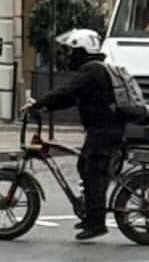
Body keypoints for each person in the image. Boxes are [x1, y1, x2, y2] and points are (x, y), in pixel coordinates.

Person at [24, 27, 126, 241]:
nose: (70, 56)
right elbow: (71, 98)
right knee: (85, 166)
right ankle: (90, 214)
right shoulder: (95, 70)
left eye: (72, 51)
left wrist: (39, 103)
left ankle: (96, 223)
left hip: (104, 131)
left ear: (82, 51)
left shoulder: (91, 71)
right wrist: (44, 107)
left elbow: (66, 91)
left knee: (93, 173)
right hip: (103, 129)